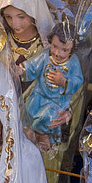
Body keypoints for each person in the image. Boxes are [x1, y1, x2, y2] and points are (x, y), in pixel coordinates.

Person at [21, 22, 82, 151]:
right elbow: (32, 66)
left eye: (64, 50)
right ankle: (31, 136)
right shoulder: (45, 55)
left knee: (47, 118)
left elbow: (77, 81)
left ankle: (43, 136)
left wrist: (63, 81)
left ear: (72, 49)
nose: (57, 53)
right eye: (54, 46)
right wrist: (21, 70)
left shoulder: (73, 62)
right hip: (38, 96)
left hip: (57, 102)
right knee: (28, 112)